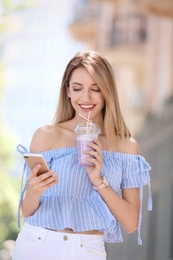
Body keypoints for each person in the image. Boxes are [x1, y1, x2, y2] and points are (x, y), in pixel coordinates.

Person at [12, 50, 152, 260]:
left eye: (96, 89)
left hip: (88, 250)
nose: (85, 98)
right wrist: (34, 191)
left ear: (107, 92)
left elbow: (131, 223)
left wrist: (99, 181)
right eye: (77, 88)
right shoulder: (46, 135)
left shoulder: (125, 147)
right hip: (37, 243)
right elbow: (27, 211)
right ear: (67, 91)